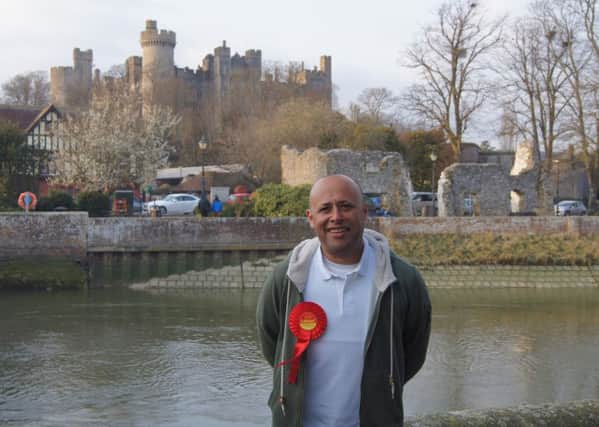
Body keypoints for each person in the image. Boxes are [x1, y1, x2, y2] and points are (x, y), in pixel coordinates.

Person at [256, 174, 431, 427]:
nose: (336, 217)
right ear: (310, 218)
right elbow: (272, 343)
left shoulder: (402, 279)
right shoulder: (287, 278)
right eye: (325, 209)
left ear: (364, 212)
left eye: (346, 206)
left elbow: (411, 355)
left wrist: (382, 387)